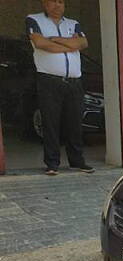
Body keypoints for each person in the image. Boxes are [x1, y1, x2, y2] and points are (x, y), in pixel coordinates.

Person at [26, 0, 94, 175]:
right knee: (50, 122)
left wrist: (56, 40)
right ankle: (52, 163)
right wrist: (68, 45)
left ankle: (77, 161)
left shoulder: (73, 24)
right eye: (52, 1)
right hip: (49, 80)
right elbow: (41, 43)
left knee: (75, 123)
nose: (57, 5)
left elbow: (82, 43)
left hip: (74, 81)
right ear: (44, 3)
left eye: (60, 1)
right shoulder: (34, 20)